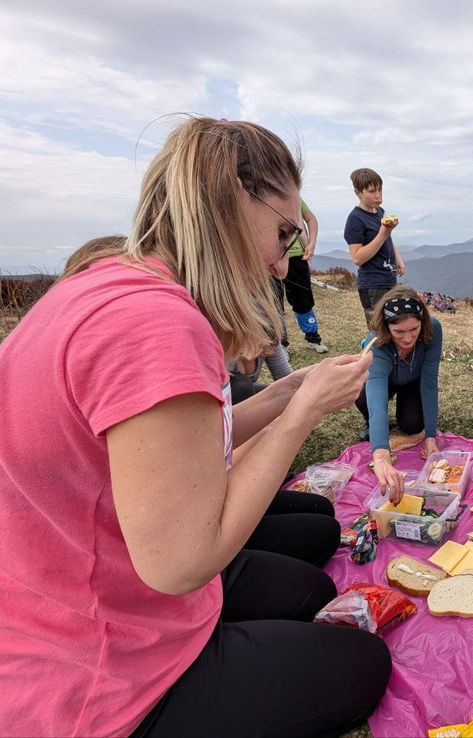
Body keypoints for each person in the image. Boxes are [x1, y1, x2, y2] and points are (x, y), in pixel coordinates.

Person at [0, 117, 391, 737]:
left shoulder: (111, 287)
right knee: (363, 663)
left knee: (311, 576)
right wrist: (305, 411)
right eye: (283, 233)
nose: (280, 262)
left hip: (67, 596)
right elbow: (182, 563)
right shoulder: (155, 322)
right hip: (101, 671)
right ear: (232, 198)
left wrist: (286, 391)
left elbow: (172, 448)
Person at [356, 285, 442, 503]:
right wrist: (382, 455)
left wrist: (431, 437)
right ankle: (374, 428)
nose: (407, 338)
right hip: (383, 380)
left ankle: (405, 426)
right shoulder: (377, 345)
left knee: (412, 424)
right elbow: (377, 403)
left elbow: (430, 382)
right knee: (362, 395)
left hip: (412, 381)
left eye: (413, 329)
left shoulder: (433, 330)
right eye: (399, 332)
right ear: (387, 328)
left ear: (422, 322)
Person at [345, 167, 405, 329]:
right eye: (372, 191)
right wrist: (383, 233)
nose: (378, 195)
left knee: (392, 325)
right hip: (372, 284)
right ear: (358, 193)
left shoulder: (380, 212)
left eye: (380, 190)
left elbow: (388, 238)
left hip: (388, 278)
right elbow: (357, 258)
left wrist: (398, 259)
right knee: (379, 330)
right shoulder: (355, 219)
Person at [281, 198, 328, 353]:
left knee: (303, 300)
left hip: (296, 255)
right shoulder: (256, 193)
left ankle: (313, 337)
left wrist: (311, 243)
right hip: (268, 256)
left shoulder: (292, 195)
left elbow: (311, 219)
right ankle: (281, 345)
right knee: (273, 303)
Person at [228, 339, 294, 404]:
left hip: (245, 395)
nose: (271, 352)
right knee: (242, 386)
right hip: (224, 401)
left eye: (274, 344)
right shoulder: (226, 348)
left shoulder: (271, 337)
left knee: (282, 395)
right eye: (263, 346)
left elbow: (286, 377)